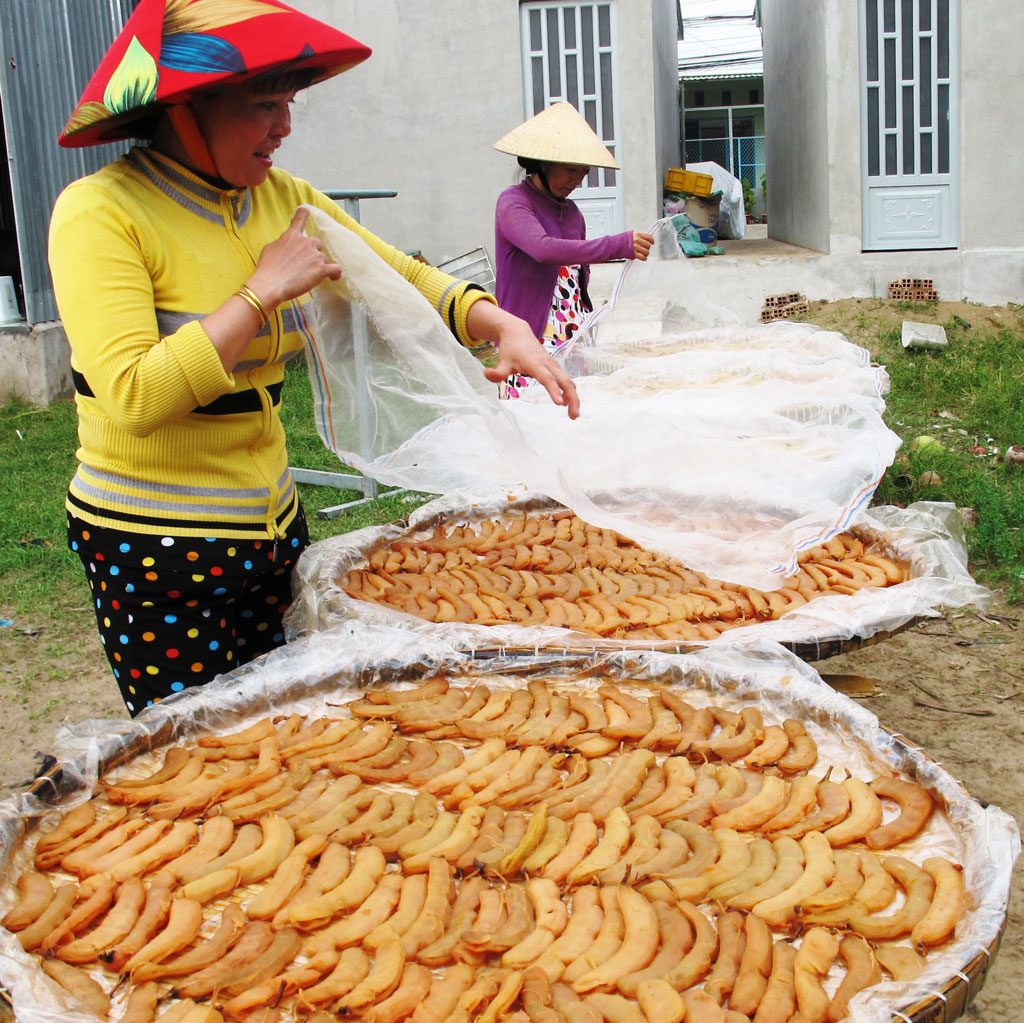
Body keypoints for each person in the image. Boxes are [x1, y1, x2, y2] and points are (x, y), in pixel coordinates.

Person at [49, 0, 579, 717]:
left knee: (286, 734)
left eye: (289, 103)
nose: (284, 127)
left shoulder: (281, 199)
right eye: (264, 104)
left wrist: (499, 322)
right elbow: (135, 396)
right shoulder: (101, 212)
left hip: (270, 527)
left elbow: (395, 274)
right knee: (200, 755)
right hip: (157, 545)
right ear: (183, 110)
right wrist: (259, 292)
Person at [492, 102, 655, 397]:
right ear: (541, 162)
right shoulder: (514, 203)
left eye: (583, 172)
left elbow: (577, 274)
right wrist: (618, 244)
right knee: (532, 423)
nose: (576, 181)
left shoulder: (573, 213)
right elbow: (543, 249)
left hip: (574, 337)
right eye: (570, 170)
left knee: (573, 417)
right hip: (530, 338)